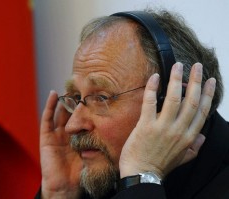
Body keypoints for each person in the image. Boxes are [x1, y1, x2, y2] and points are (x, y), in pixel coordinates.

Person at [36, 9, 229, 199]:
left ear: (177, 100)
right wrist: (59, 194)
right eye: (77, 96)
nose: (73, 125)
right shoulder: (103, 179)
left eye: (101, 98)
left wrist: (142, 178)